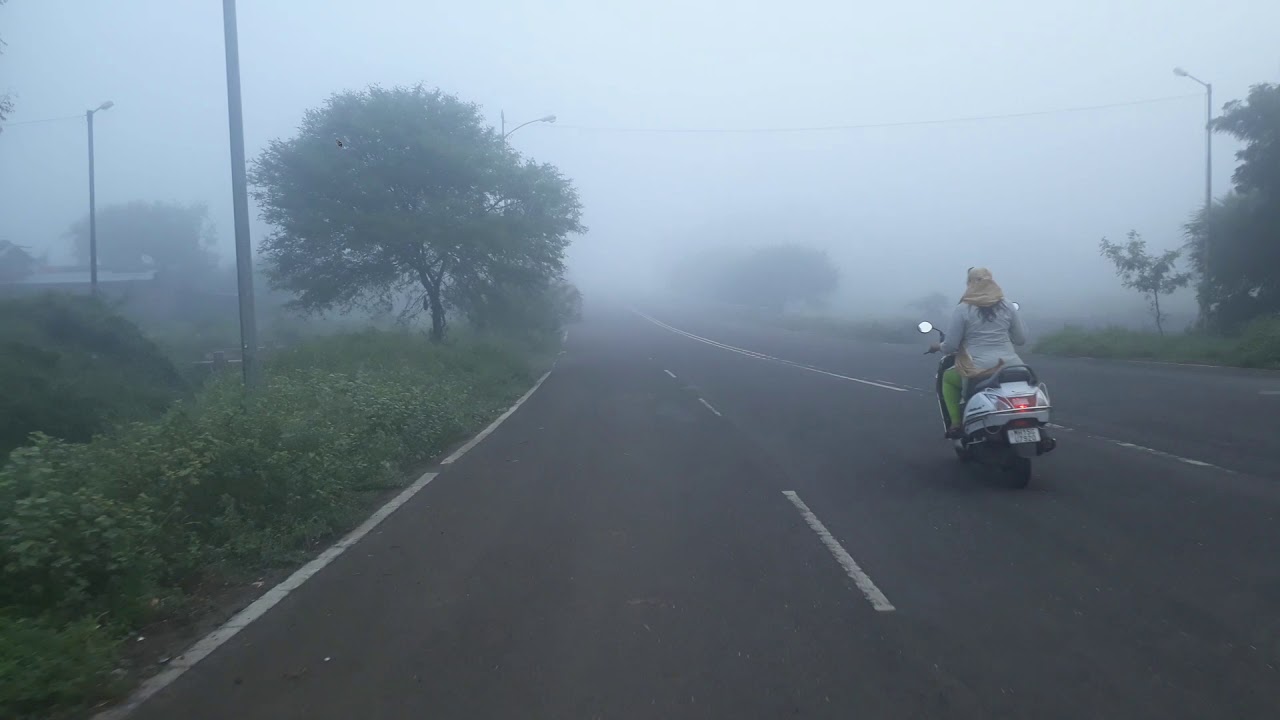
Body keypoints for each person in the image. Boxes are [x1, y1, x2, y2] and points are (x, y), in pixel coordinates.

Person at [928, 267, 1027, 438]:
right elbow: (1020, 339)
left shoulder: (963, 309)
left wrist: (937, 346)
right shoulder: (1007, 305)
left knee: (948, 378)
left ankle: (956, 423)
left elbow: (950, 346)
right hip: (1013, 365)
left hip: (979, 368)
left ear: (970, 283)